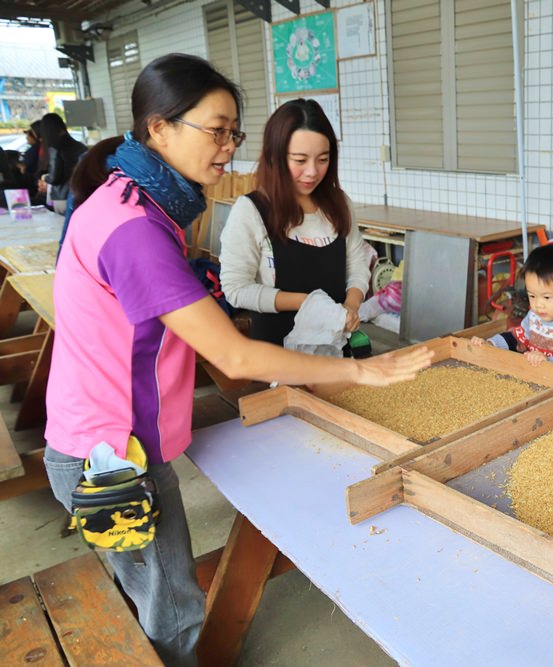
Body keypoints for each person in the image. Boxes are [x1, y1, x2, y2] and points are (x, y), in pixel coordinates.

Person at [44, 53, 431, 667]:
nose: (227, 148)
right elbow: (229, 350)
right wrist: (364, 368)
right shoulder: (136, 227)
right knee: (172, 606)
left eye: (233, 133)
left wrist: (349, 307)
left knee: (156, 584)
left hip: (115, 433)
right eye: (215, 130)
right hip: (112, 451)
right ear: (159, 128)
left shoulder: (137, 203)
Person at [219, 98, 369, 348]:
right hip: (275, 352)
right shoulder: (251, 211)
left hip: (334, 349)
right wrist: (308, 304)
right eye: (300, 161)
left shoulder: (339, 204)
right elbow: (236, 289)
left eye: (322, 159)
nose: (312, 172)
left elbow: (357, 266)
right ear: (275, 157)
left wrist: (350, 306)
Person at [471, 244, 553, 370]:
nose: (538, 304)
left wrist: (547, 361)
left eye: (547, 297)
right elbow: (518, 338)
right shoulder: (537, 314)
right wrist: (491, 343)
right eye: (532, 296)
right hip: (538, 375)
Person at [37, 112, 87, 213]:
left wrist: (44, 177)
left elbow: (55, 178)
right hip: (82, 194)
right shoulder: (80, 146)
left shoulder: (55, 148)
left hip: (63, 197)